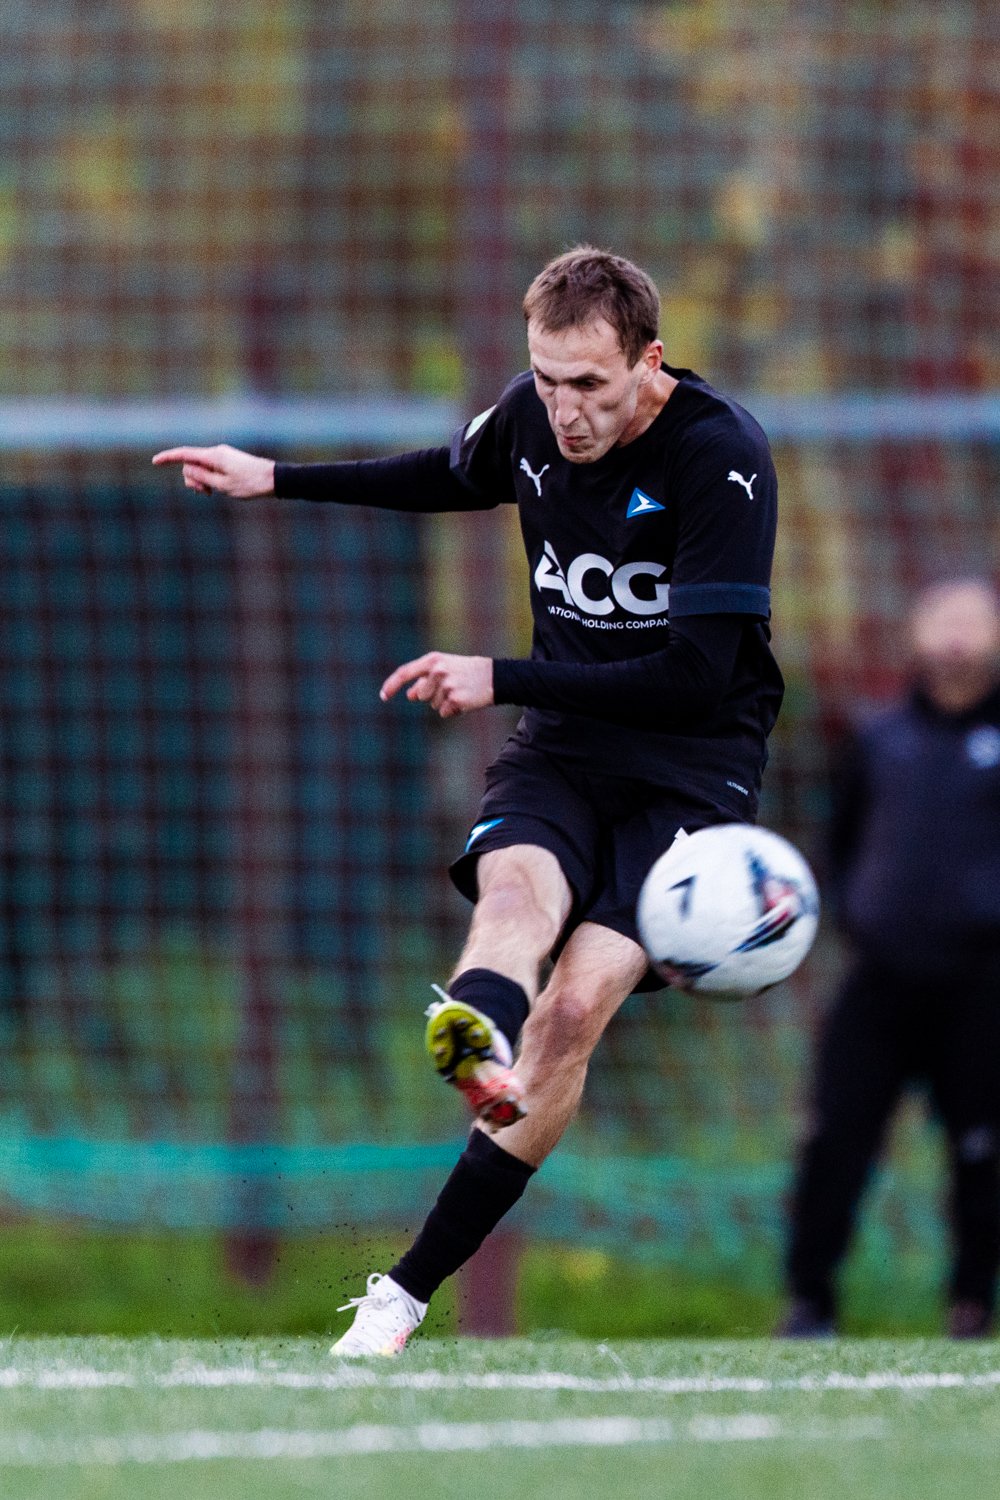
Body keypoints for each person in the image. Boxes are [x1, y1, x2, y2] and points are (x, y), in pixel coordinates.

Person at [154, 246, 783, 1356]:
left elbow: (694, 676)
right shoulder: (532, 419)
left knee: (575, 1010)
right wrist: (275, 477)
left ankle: (402, 1294)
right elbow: (444, 474)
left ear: (649, 362)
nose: (565, 410)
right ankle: (477, 1036)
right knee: (513, 901)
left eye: (589, 384)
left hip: (691, 770)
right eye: (545, 378)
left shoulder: (719, 455)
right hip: (563, 751)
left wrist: (503, 675)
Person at [781, 575, 1000, 1339]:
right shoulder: (878, 736)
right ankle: (810, 1301)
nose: (956, 634)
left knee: (982, 1148)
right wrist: (855, 915)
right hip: (880, 977)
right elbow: (842, 843)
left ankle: (972, 1304)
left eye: (974, 619)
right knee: (834, 1136)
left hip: (981, 984)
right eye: (942, 617)